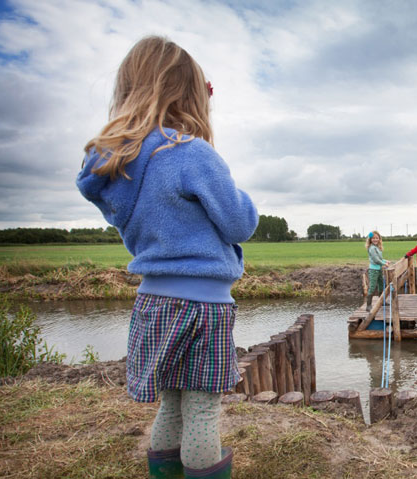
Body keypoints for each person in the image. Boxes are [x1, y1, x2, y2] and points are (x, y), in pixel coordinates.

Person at [76, 36, 258, 479]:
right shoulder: (191, 153)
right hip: (204, 306)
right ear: (191, 94)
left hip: (153, 303)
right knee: (201, 412)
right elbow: (239, 224)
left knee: (171, 404)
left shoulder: (116, 165)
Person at [365, 231, 390, 311]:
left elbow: (379, 258)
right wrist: (384, 264)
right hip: (373, 270)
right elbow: (376, 260)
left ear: (379, 239)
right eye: (373, 238)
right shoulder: (372, 248)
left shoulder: (377, 247)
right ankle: (368, 306)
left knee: (381, 285)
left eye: (377, 238)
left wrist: (385, 261)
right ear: (370, 239)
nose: (375, 239)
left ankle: (382, 301)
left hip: (379, 269)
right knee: (372, 287)